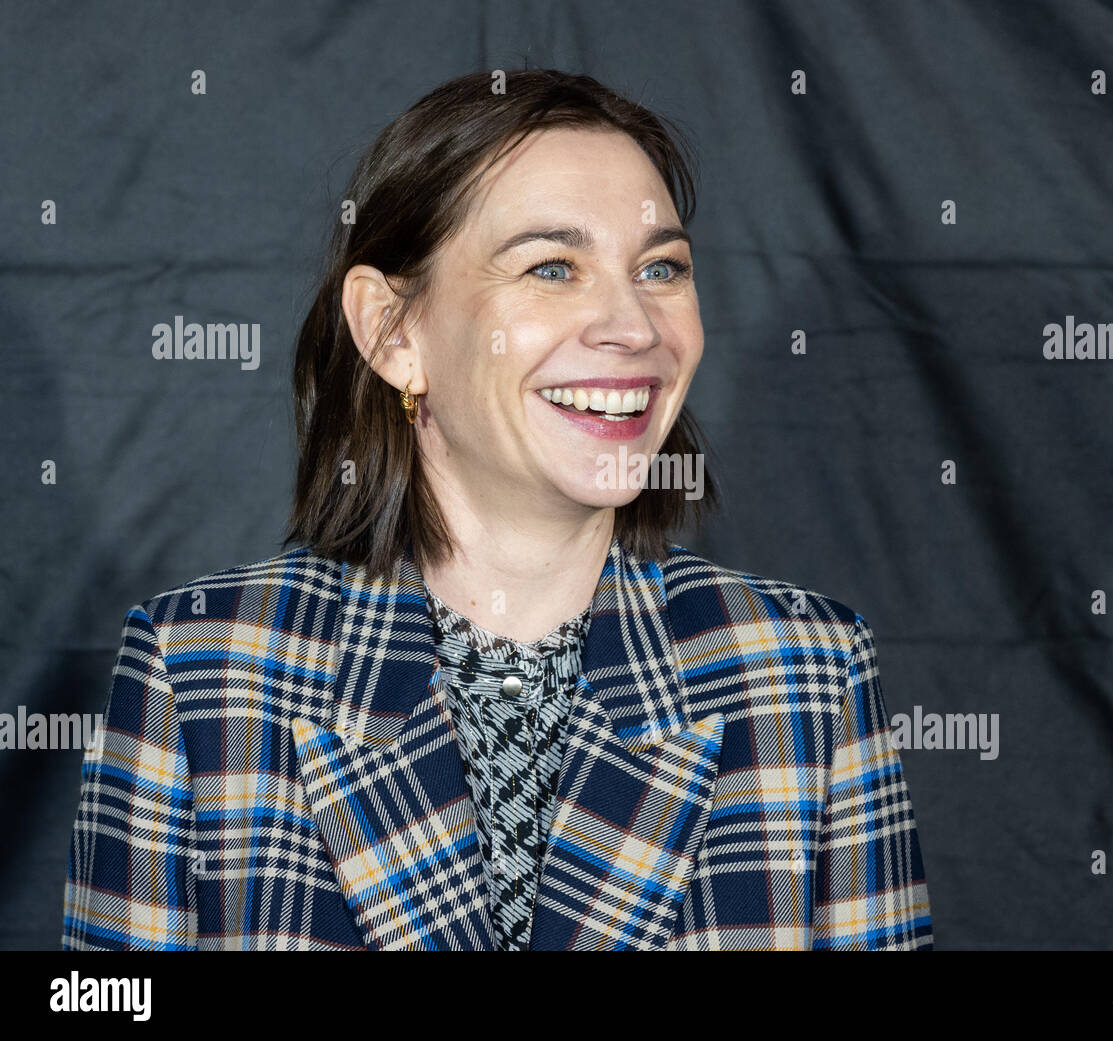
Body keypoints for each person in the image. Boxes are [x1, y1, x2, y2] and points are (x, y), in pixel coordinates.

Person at [61, 68, 934, 950]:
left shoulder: (808, 678)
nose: (633, 325)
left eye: (660, 268)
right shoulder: (199, 671)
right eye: (552, 266)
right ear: (393, 332)